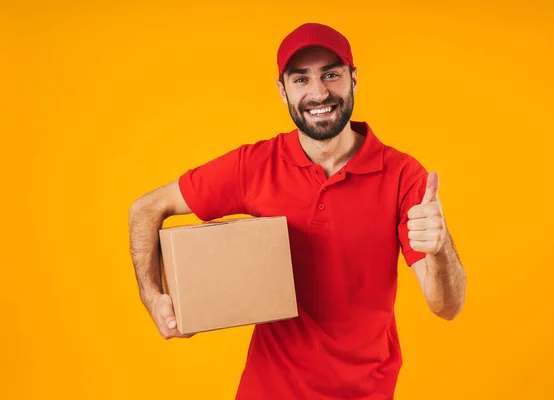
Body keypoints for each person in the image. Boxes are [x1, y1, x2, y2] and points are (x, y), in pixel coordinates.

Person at [128, 22, 466, 400]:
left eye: (331, 75)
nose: (319, 92)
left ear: (354, 78)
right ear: (282, 90)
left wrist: (439, 251)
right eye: (301, 79)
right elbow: (146, 209)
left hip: (366, 390)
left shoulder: (404, 175)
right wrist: (153, 297)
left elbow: (446, 307)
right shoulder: (255, 165)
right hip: (268, 389)